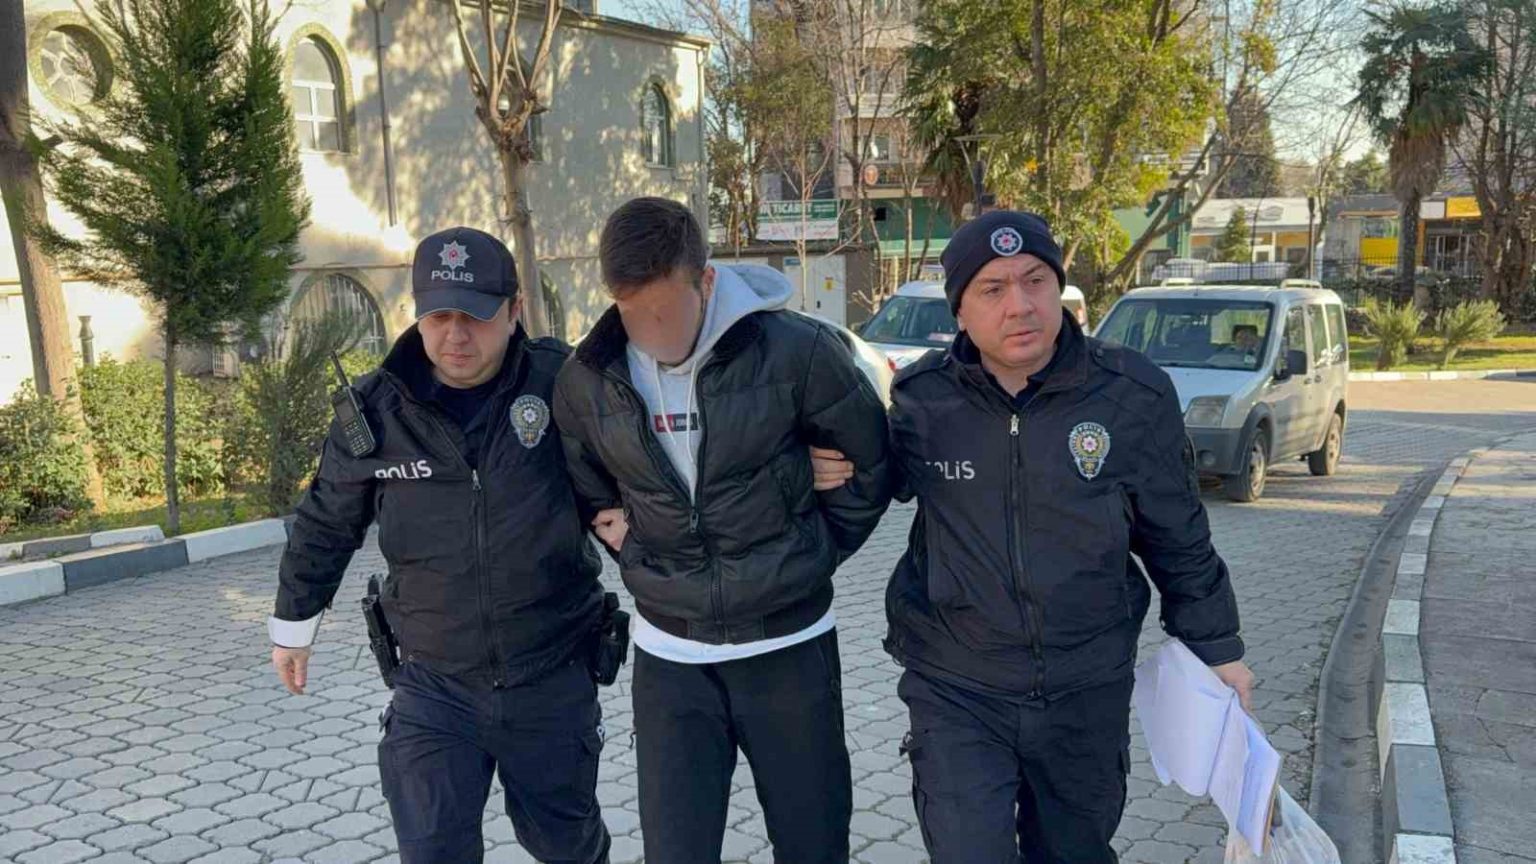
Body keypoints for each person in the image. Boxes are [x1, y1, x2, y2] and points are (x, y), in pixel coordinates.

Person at [884, 211, 1256, 863]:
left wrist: (1217, 647)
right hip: (958, 683)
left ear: (1059, 287)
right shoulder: (921, 400)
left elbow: (1178, 537)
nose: (1020, 305)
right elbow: (864, 486)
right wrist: (823, 463)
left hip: (1086, 684)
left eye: (1035, 280)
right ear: (960, 311)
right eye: (992, 289)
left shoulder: (1132, 394)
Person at [553, 197, 892, 864]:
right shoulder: (587, 380)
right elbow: (588, 484)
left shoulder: (800, 351)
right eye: (634, 314)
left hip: (788, 645)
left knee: (814, 846)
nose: (653, 332)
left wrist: (812, 550)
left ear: (706, 281)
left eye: (667, 310)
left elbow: (870, 467)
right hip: (670, 657)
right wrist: (632, 545)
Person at [268, 227, 615, 864]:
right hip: (434, 685)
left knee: (567, 845)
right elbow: (326, 521)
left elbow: (627, 486)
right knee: (433, 851)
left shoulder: (561, 384)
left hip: (550, 672)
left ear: (514, 310)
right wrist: (294, 624)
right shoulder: (375, 411)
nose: (455, 335)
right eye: (438, 316)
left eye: (475, 316)